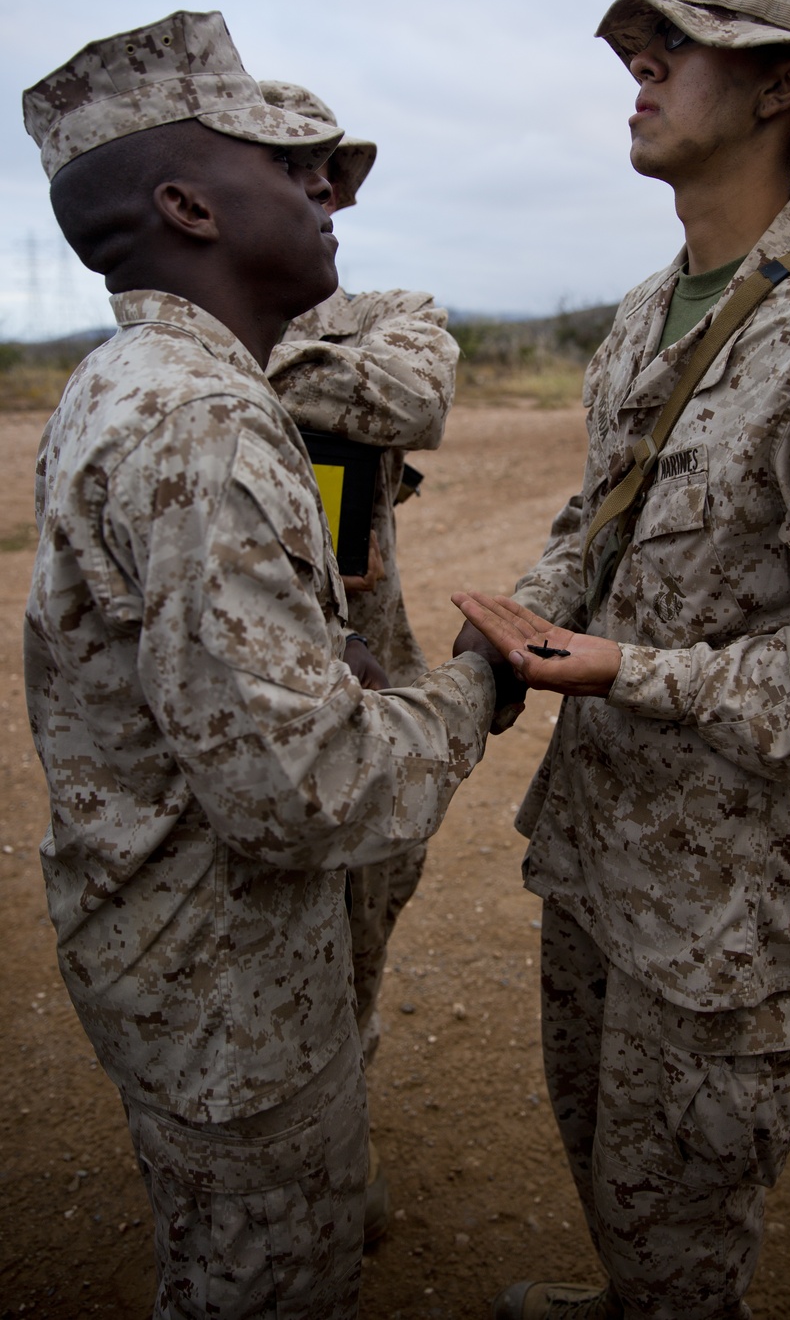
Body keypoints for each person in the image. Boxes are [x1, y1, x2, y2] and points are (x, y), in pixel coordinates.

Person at [452, 0, 790, 1320]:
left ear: (780, 87)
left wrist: (642, 671)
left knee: (689, 1222)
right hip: (602, 852)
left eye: (678, 45)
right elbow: (597, 524)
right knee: (612, 1172)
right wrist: (525, 623)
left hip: (731, 911)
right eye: (645, 43)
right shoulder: (647, 313)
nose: (640, 66)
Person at [21, 10, 505, 1320]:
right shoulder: (204, 422)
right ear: (187, 204)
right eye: (287, 164)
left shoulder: (132, 378)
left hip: (182, 960)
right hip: (232, 998)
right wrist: (479, 684)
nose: (323, 187)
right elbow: (305, 793)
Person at [260, 77, 460, 1238]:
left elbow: (414, 394)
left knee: (360, 942)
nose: (327, 195)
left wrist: (250, 365)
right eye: (298, 174)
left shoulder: (386, 312)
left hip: (373, 694)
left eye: (336, 176)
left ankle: (342, 1148)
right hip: (252, 709)